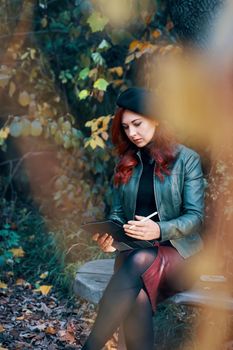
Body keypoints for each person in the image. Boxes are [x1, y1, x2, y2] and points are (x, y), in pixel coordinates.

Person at [81, 87, 205, 350]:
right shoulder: (126, 163)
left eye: (137, 124)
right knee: (136, 290)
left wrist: (158, 230)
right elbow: (117, 214)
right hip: (134, 256)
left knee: (137, 262)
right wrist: (111, 240)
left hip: (181, 258)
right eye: (126, 127)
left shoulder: (186, 160)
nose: (132, 133)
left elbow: (195, 219)